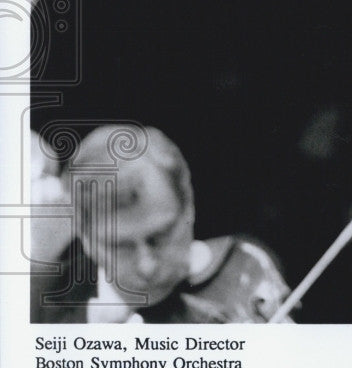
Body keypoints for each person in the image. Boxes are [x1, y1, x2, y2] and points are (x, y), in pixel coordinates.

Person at [30, 124, 293, 323]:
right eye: (120, 246)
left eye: (161, 235)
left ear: (188, 209)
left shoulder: (246, 271)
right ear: (86, 238)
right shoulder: (40, 308)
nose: (147, 266)